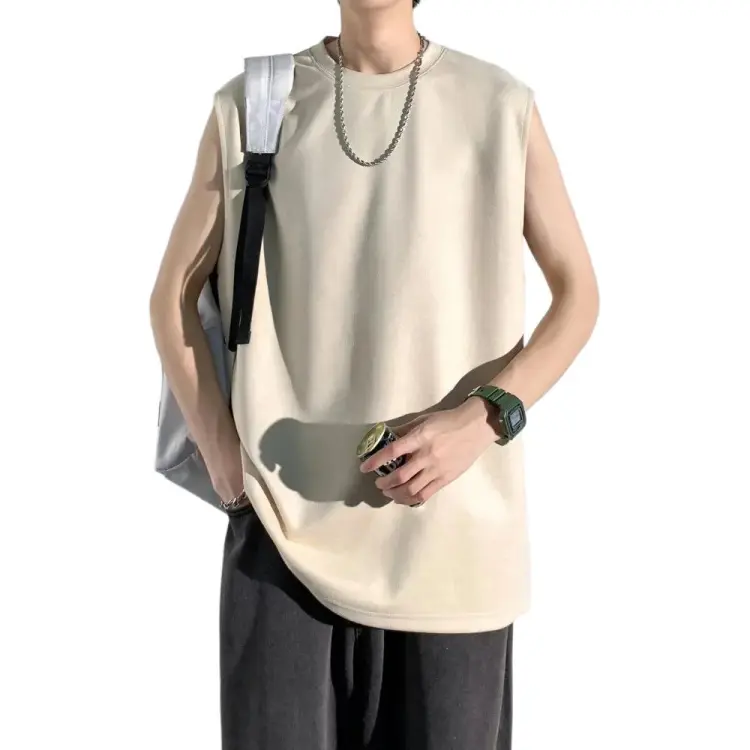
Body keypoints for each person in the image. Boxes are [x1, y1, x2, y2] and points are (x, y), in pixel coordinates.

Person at [149, 0, 599, 747]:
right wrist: (228, 466)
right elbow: (171, 296)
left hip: (454, 548)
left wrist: (482, 419)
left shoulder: (499, 104)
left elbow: (578, 296)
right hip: (281, 540)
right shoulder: (255, 102)